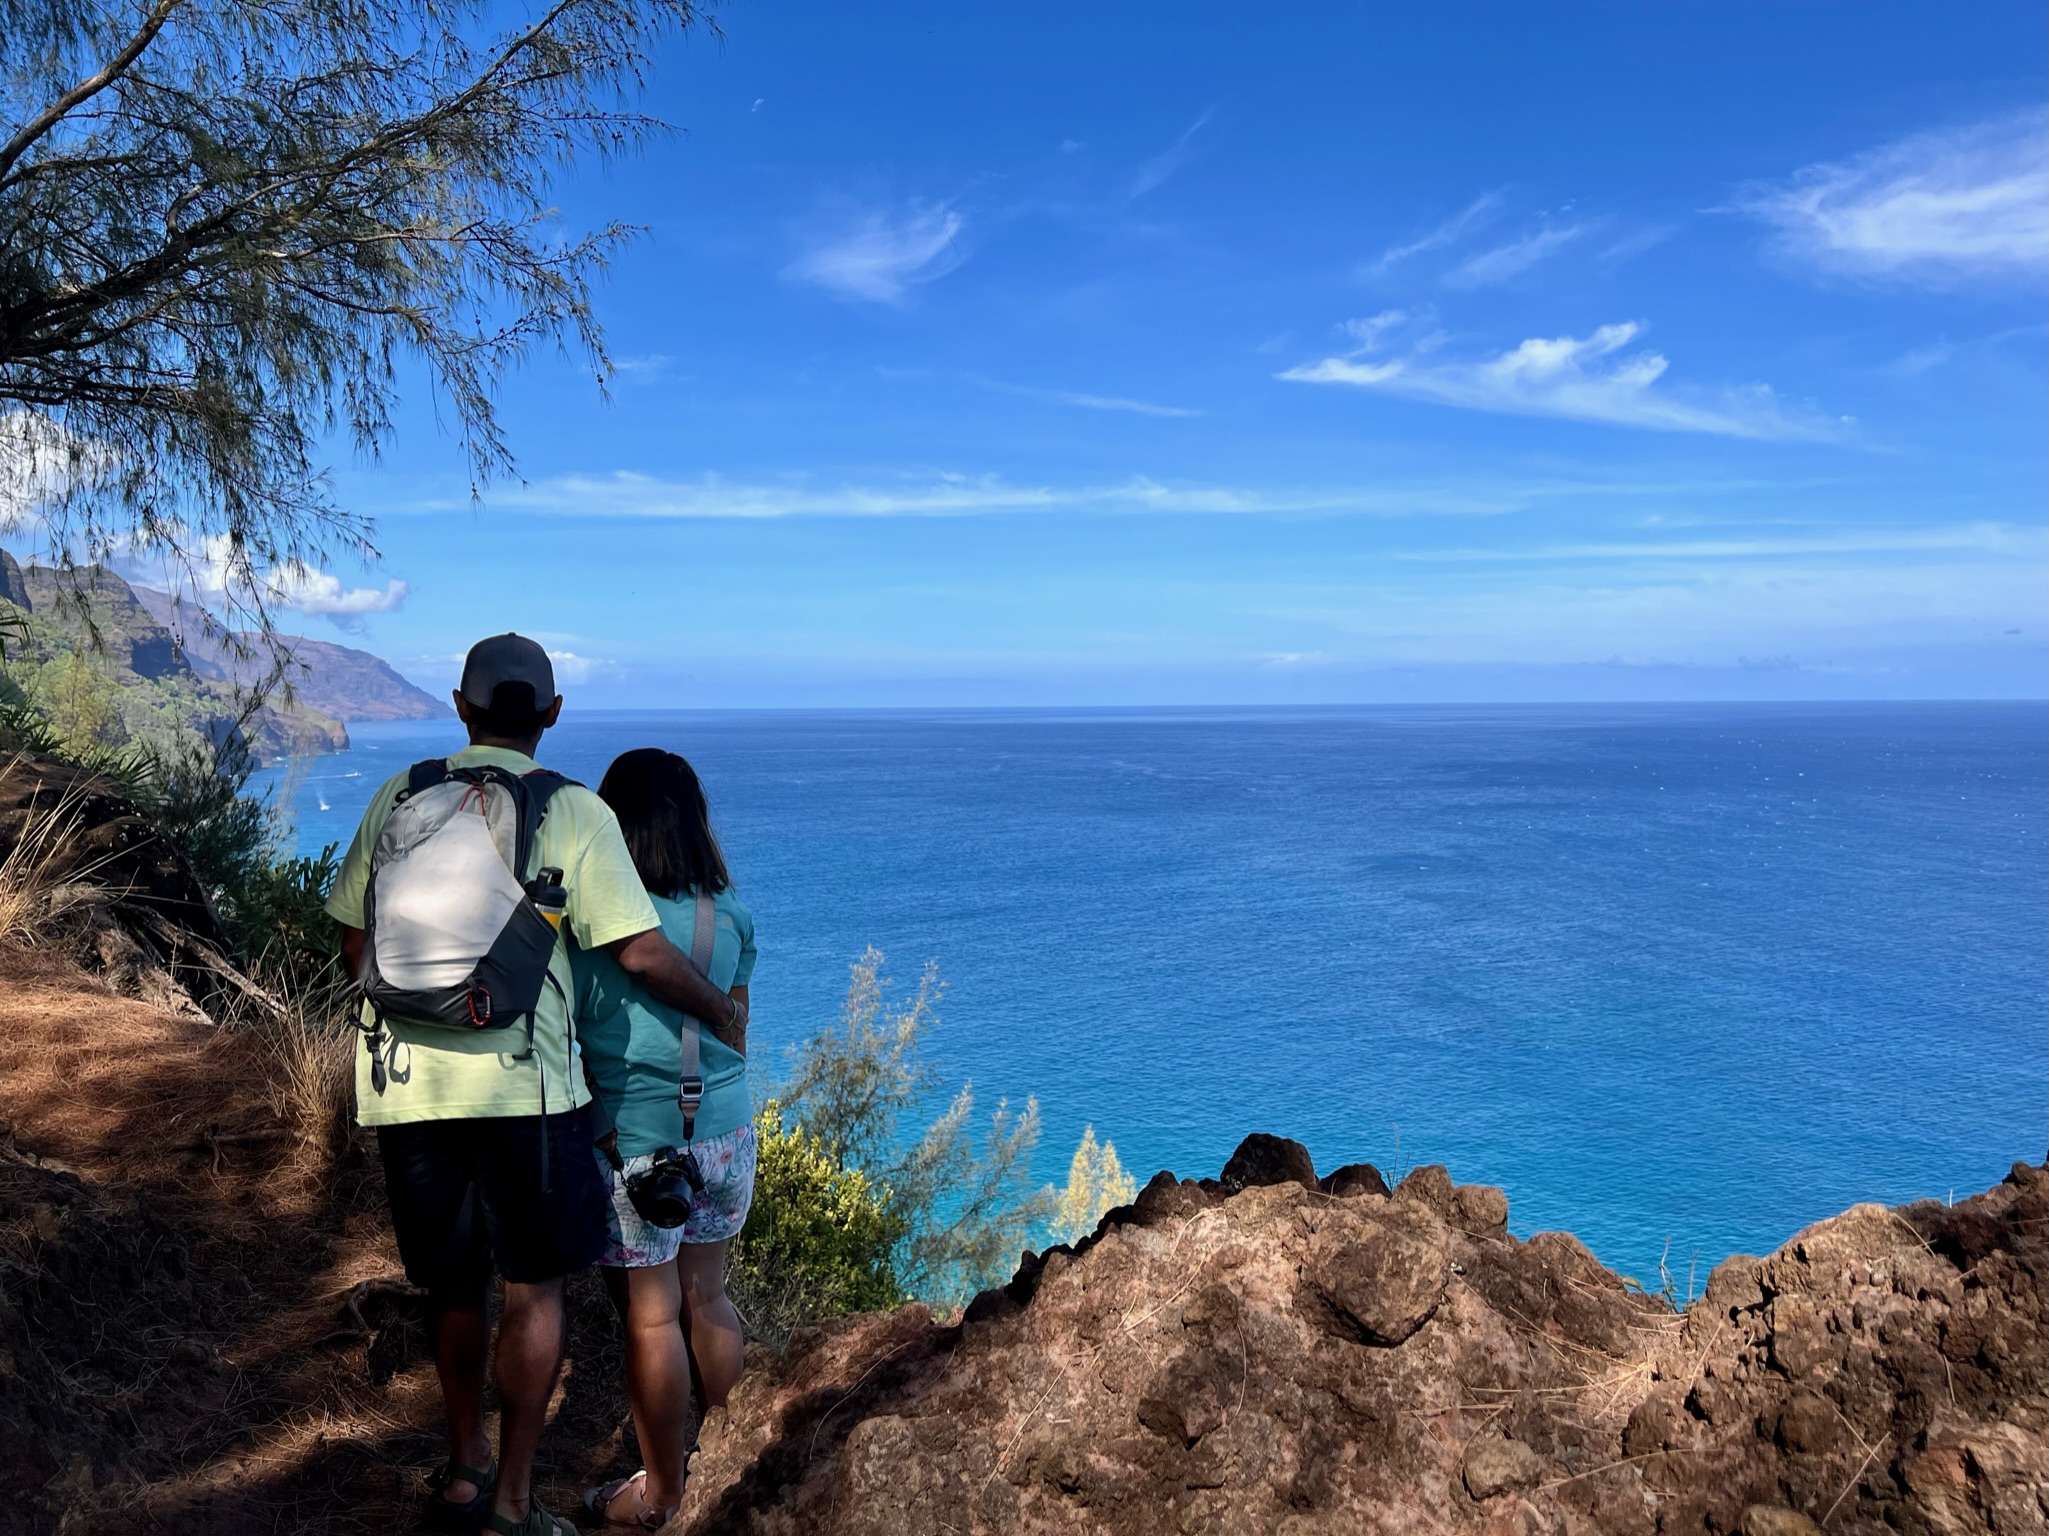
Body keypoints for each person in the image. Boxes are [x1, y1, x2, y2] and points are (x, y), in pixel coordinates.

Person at [326, 635, 748, 1536]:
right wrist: (718, 1009)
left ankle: (464, 1468)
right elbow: (636, 951)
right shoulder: (573, 811)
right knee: (532, 1290)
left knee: (450, 1285)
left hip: (409, 1090)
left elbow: (357, 950)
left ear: (459, 704)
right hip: (530, 1096)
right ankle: (515, 1502)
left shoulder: (397, 794)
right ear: (551, 715)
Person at [571, 749, 756, 1531]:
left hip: (633, 1141)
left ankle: (663, 1495)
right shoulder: (730, 913)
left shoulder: (594, 919)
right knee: (708, 1296)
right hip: (723, 1131)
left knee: (651, 1320)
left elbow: (566, 1034)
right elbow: (735, 1031)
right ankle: (739, 1459)